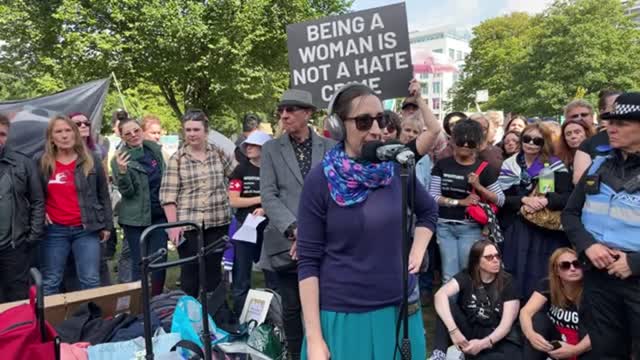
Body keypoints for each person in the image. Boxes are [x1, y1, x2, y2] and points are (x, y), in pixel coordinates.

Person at [297, 83, 437, 360]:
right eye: (363, 121)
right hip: (345, 315)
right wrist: (314, 339)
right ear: (338, 126)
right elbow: (308, 263)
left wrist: (418, 249)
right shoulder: (319, 180)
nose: (376, 129)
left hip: (400, 310)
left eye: (381, 119)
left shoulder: (397, 168)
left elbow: (428, 212)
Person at [562, 92, 640, 359]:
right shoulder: (598, 165)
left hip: (636, 279)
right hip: (599, 278)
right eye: (610, 121)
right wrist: (588, 246)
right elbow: (570, 214)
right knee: (604, 352)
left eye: (623, 123)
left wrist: (635, 262)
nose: (611, 128)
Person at [259, 89, 335, 360]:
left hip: (324, 239)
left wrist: (312, 234)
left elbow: (335, 192)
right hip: (284, 241)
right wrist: (295, 231)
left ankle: (325, 350)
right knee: (291, 306)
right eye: (281, 110)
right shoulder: (270, 149)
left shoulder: (329, 148)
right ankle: (295, 353)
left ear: (308, 113)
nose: (284, 115)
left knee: (324, 302)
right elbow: (268, 194)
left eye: (291, 109)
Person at [160, 109, 236, 297]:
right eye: (188, 130)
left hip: (217, 221)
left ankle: (215, 314)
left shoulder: (218, 153)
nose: (192, 134)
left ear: (205, 131)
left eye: (196, 129)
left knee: (213, 272)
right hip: (188, 224)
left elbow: (236, 175)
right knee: (190, 273)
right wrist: (174, 226)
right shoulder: (177, 159)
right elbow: (168, 196)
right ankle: (190, 316)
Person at [38, 115, 112, 295]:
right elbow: (34, 195)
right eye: (58, 131)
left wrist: (108, 225)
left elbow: (103, 195)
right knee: (51, 280)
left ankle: (94, 322)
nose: (64, 135)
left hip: (86, 229)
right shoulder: (42, 163)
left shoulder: (91, 159)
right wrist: (41, 212)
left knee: (90, 279)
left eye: (68, 130)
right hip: (54, 230)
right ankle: (47, 323)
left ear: (75, 134)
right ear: (51, 137)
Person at [498, 122, 570, 299]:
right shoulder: (509, 164)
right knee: (515, 270)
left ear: (544, 142)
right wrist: (524, 199)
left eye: (537, 140)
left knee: (541, 271)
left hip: (546, 231)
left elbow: (567, 196)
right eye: (526, 138)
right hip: (517, 228)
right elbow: (501, 198)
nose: (530, 143)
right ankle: (515, 310)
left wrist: (546, 200)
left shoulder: (554, 165)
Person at [429, 119, 505, 282]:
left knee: (468, 273)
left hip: (470, 228)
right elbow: (433, 196)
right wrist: (459, 202)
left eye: (470, 142)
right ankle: (449, 307)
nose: (464, 145)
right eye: (460, 141)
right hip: (444, 226)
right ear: (452, 141)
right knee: (448, 275)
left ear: (477, 145)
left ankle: (468, 306)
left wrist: (479, 186)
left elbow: (501, 200)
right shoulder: (442, 165)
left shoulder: (485, 168)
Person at [431, 240, 520, 360]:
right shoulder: (466, 275)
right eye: (489, 257)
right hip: (472, 328)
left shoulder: (508, 282)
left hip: (496, 337)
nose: (495, 260)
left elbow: (505, 326)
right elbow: (440, 295)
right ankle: (439, 355)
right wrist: (454, 331)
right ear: (477, 262)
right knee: (444, 306)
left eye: (497, 256)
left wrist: (482, 344)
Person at [111, 118, 167, 296]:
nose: (133, 135)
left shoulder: (154, 150)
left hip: (158, 214)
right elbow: (127, 192)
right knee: (140, 262)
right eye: (128, 133)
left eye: (136, 130)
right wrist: (122, 172)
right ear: (122, 136)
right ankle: (139, 303)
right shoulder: (119, 159)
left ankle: (156, 299)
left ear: (141, 130)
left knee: (160, 259)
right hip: (135, 219)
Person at [0, 114, 45, 302]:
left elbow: (37, 201)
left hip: (14, 246)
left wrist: (33, 235)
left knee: (18, 300)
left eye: (2, 134)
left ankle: (17, 332)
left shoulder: (23, 163)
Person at [520, 248, 593, 360]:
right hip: (555, 343)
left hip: (583, 347)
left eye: (576, 264)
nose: (572, 268)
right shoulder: (548, 284)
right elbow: (526, 312)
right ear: (556, 271)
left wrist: (575, 350)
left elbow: (601, 330)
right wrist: (531, 335)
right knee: (538, 319)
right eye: (565, 266)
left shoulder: (593, 290)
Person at [228, 130, 271, 314]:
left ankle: (273, 313)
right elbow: (234, 200)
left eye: (254, 145)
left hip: (270, 227)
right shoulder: (240, 170)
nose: (249, 148)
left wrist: (266, 207)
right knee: (242, 274)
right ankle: (240, 315)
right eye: (248, 145)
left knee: (272, 272)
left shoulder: (273, 169)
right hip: (245, 225)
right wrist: (262, 199)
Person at [572, 91, 622, 184]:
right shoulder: (589, 144)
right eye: (615, 106)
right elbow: (579, 181)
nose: (621, 109)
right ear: (602, 112)